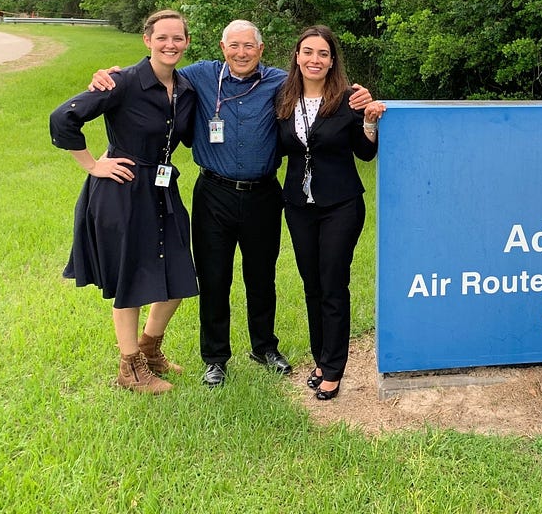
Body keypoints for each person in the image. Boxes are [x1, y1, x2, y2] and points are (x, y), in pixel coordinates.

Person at [91, 20, 373, 388]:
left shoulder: (280, 83)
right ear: (222, 48)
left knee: (261, 276)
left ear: (262, 49)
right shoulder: (199, 76)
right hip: (214, 193)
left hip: (265, 194)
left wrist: (361, 98)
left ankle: (264, 347)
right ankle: (215, 358)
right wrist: (113, 75)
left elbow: (325, 94)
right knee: (213, 277)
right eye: (234, 46)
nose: (241, 53)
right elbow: (158, 68)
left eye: (249, 46)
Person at [50, 10, 197, 394]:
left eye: (177, 38)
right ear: (147, 39)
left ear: (186, 43)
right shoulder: (121, 82)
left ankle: (149, 349)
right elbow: (63, 117)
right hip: (123, 190)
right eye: (162, 37)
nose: (170, 44)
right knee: (131, 276)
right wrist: (93, 164)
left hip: (163, 189)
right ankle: (129, 368)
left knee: (179, 274)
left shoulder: (186, 89)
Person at [276, 25, 385, 401]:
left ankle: (334, 370)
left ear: (332, 60)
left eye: (322, 53)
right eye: (308, 52)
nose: (314, 60)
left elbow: (366, 152)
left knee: (333, 284)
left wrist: (369, 121)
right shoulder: (284, 97)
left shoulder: (350, 97)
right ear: (297, 56)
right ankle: (321, 359)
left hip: (340, 204)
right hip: (298, 205)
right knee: (311, 286)